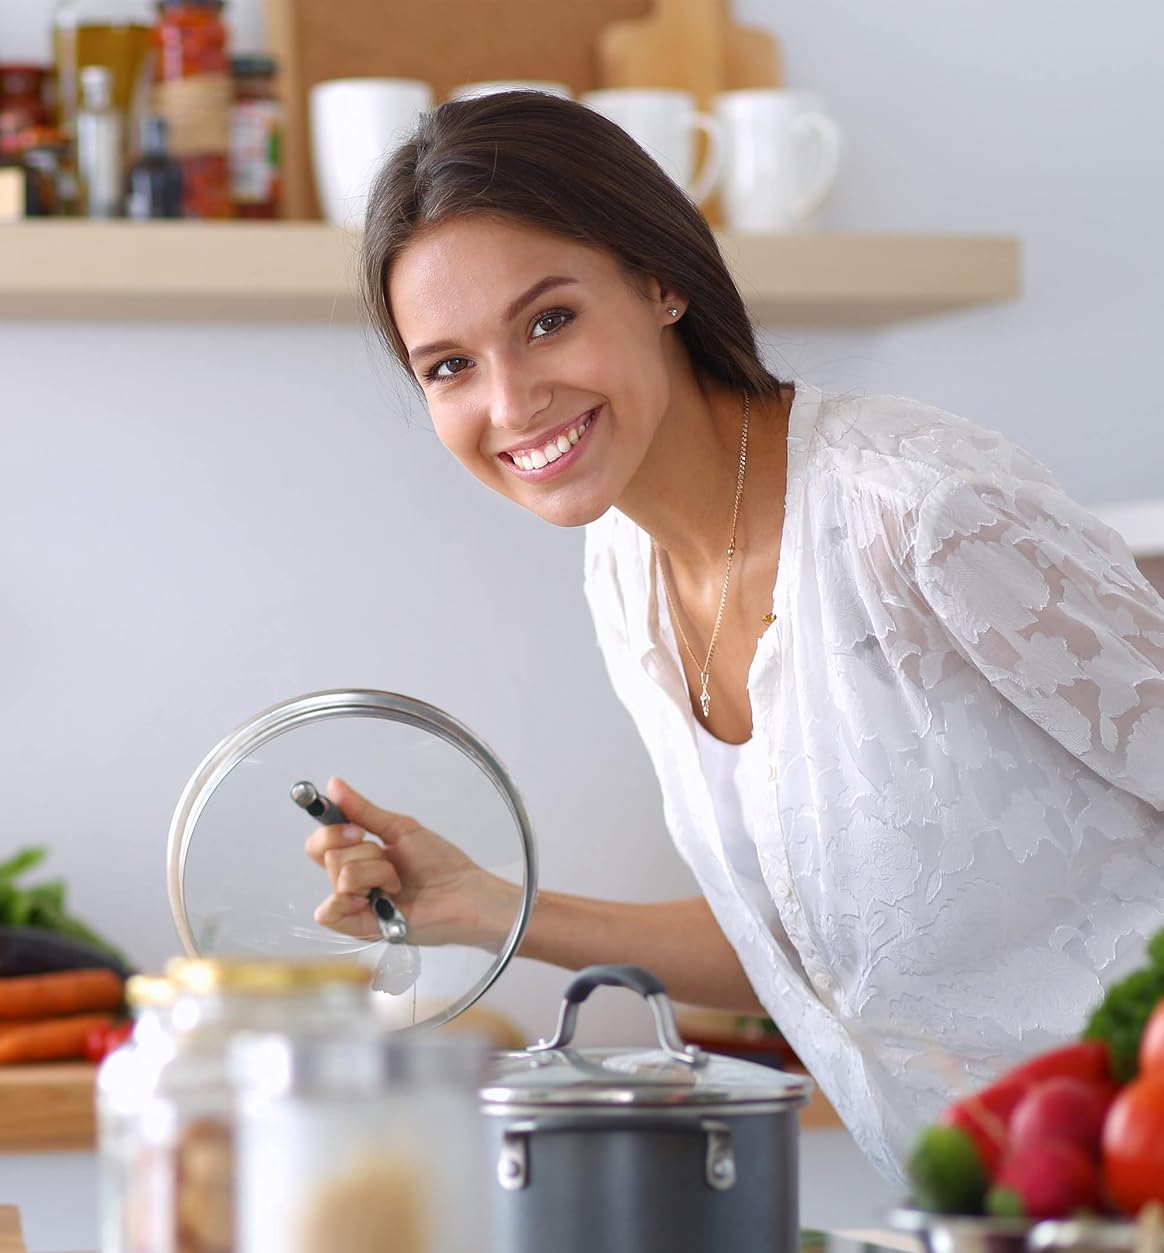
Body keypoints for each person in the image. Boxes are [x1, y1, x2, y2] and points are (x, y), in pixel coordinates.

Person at [302, 92, 1164, 1183]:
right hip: (999, 1232)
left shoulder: (921, 513)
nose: (512, 400)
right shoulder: (624, 572)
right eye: (450, 366)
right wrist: (477, 905)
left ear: (660, 280)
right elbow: (806, 956)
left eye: (548, 318)